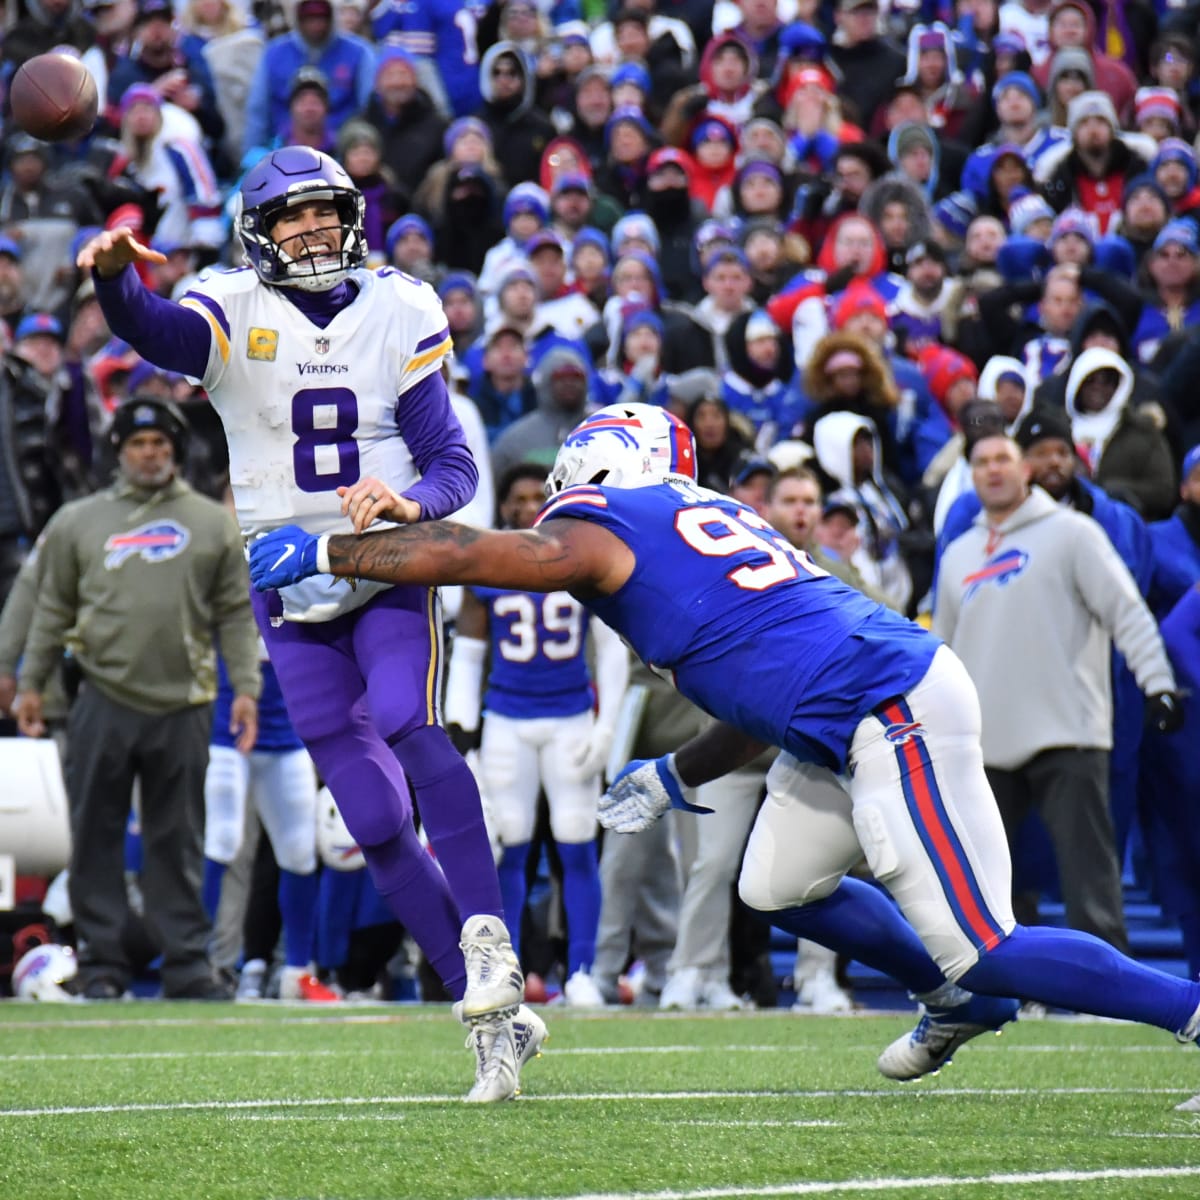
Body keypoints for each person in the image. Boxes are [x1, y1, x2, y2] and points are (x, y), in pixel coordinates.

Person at [250, 401, 1200, 1087]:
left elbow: (479, 558)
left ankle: (1179, 1010)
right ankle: (956, 1002)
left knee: (986, 946)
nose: (557, 481)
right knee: (775, 887)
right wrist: (672, 772)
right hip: (839, 710)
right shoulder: (696, 525)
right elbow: (760, 690)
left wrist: (330, 551)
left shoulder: (607, 522)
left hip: (887, 706)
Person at [75, 146, 541, 1102]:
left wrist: (411, 505)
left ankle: (491, 942)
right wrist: (115, 278)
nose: (313, 229)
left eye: (325, 211)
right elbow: (155, 331)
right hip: (288, 592)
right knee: (370, 821)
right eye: (290, 217)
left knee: (413, 727)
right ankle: (490, 1021)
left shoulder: (400, 305)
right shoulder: (229, 306)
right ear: (260, 232)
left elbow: (451, 460)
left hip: (383, 574)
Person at [15, 398, 261, 1001]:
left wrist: (247, 688)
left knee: (178, 838)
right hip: (102, 693)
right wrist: (26, 681)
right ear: (118, 451)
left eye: (159, 443)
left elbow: (234, 613)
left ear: (175, 451)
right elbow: (52, 608)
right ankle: (102, 964)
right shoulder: (80, 520)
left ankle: (184, 963)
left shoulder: (212, 523)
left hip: (186, 700)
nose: (150, 453)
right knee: (94, 834)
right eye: (138, 444)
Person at [936, 430, 1178, 955]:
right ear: (971, 476)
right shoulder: (957, 554)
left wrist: (1156, 683)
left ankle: (1107, 990)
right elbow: (942, 653)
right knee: (990, 881)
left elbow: (1126, 612)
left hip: (1068, 729)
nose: (994, 470)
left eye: (1004, 459)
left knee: (1088, 876)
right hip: (984, 740)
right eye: (982, 462)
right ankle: (1008, 987)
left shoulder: (1074, 533)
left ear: (1024, 469)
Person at [443, 463, 629, 1006]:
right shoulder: (489, 564)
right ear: (503, 506)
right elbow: (469, 657)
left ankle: (583, 971)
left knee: (576, 846)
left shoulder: (580, 555)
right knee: (512, 847)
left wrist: (608, 724)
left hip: (570, 716)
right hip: (507, 720)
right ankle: (512, 970)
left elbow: (613, 649)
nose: (527, 507)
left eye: (534, 496)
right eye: (516, 498)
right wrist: (464, 737)